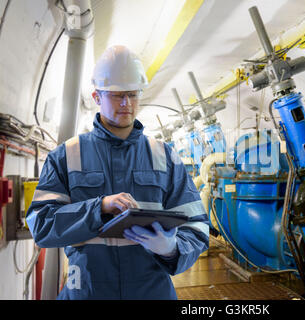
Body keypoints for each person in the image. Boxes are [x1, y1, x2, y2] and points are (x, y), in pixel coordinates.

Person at [26, 45, 209, 300]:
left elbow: (197, 225)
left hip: (151, 292)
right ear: (96, 96)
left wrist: (171, 249)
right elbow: (41, 224)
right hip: (89, 292)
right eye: (117, 95)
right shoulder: (66, 155)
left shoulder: (164, 156)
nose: (127, 103)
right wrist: (98, 207)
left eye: (133, 94)